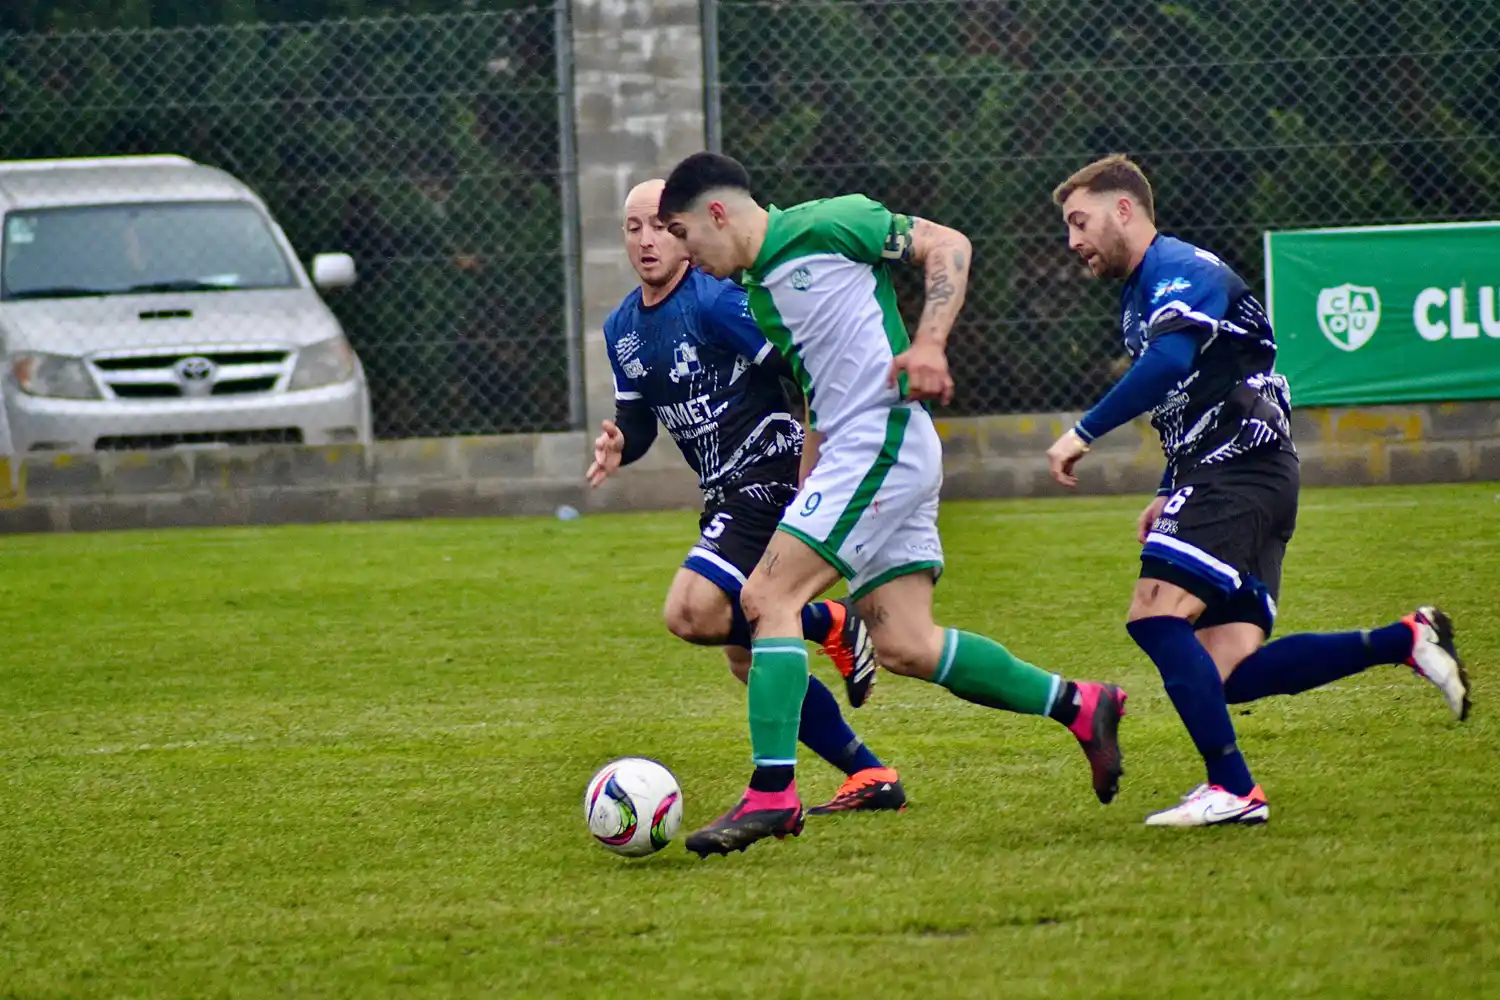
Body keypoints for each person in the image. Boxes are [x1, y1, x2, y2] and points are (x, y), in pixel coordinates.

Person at [657, 153, 1128, 858]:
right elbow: (817, 390)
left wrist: (931, 342)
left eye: (683, 236)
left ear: (716, 214)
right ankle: (1080, 705)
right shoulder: (757, 293)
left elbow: (948, 245)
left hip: (880, 444)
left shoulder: (828, 221)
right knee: (907, 643)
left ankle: (772, 792)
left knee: (766, 599)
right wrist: (803, 487)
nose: (686, 257)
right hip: (860, 454)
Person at [1046, 154, 1470, 828]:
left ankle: (1233, 788)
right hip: (1244, 473)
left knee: (1155, 616)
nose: (1072, 241)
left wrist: (1083, 431)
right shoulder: (1142, 293)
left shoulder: (1181, 268)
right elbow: (1193, 393)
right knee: (1228, 671)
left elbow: (1172, 363)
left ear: (1123, 209)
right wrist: (1168, 485)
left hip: (1238, 473)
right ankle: (1405, 640)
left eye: (1079, 221)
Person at [587, 179, 906, 816]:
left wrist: (817, 459)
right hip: (724, 491)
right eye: (632, 228)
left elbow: (803, 370)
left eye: (658, 225)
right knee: (745, 657)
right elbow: (642, 418)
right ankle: (870, 774)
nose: (647, 240)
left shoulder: (719, 303)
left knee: (691, 613)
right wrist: (623, 442)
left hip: (768, 474)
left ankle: (829, 621)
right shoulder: (621, 326)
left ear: (683, 232)